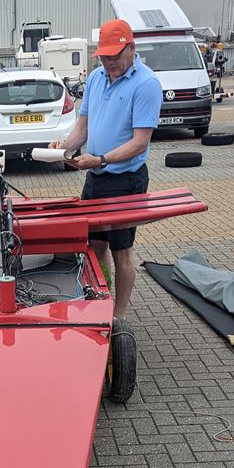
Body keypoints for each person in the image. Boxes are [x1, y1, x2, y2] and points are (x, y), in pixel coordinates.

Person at [49, 18, 161, 319]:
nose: (109, 63)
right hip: (96, 177)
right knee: (93, 248)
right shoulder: (97, 79)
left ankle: (118, 316)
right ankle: (97, 305)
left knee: (121, 251)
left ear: (131, 49)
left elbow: (139, 143)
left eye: (115, 57)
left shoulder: (146, 84)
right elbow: (82, 128)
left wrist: (99, 159)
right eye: (105, 57)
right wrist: (63, 148)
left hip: (126, 179)